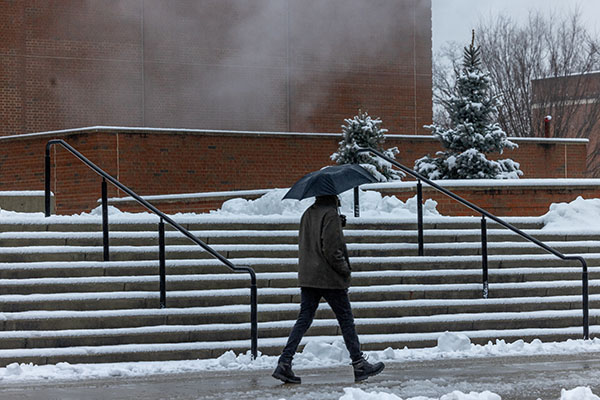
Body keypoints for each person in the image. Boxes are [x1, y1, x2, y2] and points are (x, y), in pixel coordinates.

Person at [272, 194, 385, 384]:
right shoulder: (330, 214)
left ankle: (284, 362)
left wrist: (338, 226)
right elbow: (332, 249)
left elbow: (314, 241)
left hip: (308, 276)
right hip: (328, 277)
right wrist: (345, 270)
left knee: (304, 319)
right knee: (346, 320)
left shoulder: (308, 213)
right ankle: (358, 363)